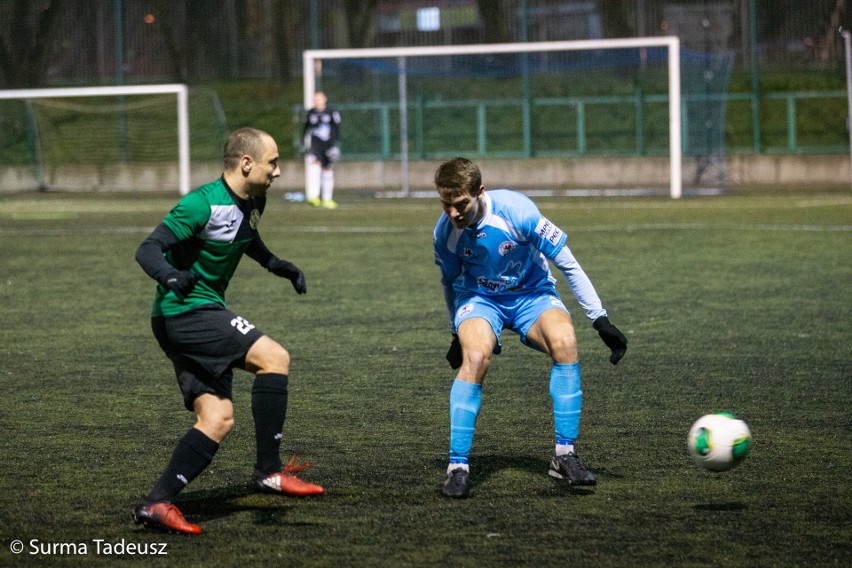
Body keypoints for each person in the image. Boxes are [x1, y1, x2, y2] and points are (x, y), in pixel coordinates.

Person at [132, 127, 323, 535]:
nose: (278, 171)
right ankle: (269, 471)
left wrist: (277, 265)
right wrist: (170, 276)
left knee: (217, 418)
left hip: (189, 313)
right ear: (246, 163)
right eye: (272, 162)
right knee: (275, 357)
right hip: (184, 310)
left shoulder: (256, 199)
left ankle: (156, 503)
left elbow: (245, 235)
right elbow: (147, 249)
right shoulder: (201, 203)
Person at [432, 157, 628, 499]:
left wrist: (599, 319)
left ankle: (564, 457)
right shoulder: (445, 234)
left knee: (565, 341)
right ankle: (458, 466)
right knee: (475, 357)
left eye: (460, 204)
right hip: (479, 300)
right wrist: (454, 330)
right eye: (446, 205)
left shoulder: (519, 212)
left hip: (532, 296)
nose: (453, 213)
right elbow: (448, 283)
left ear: (480, 192)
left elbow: (567, 263)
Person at [302, 91, 341, 209]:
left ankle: (327, 198)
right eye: (315, 99)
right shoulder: (310, 113)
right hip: (315, 146)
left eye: (319, 99)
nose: (317, 101)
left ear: (325, 99)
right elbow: (305, 130)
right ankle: (314, 197)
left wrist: (336, 145)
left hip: (328, 146)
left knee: (328, 169)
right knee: (315, 168)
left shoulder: (332, 112)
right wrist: (304, 144)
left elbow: (337, 130)